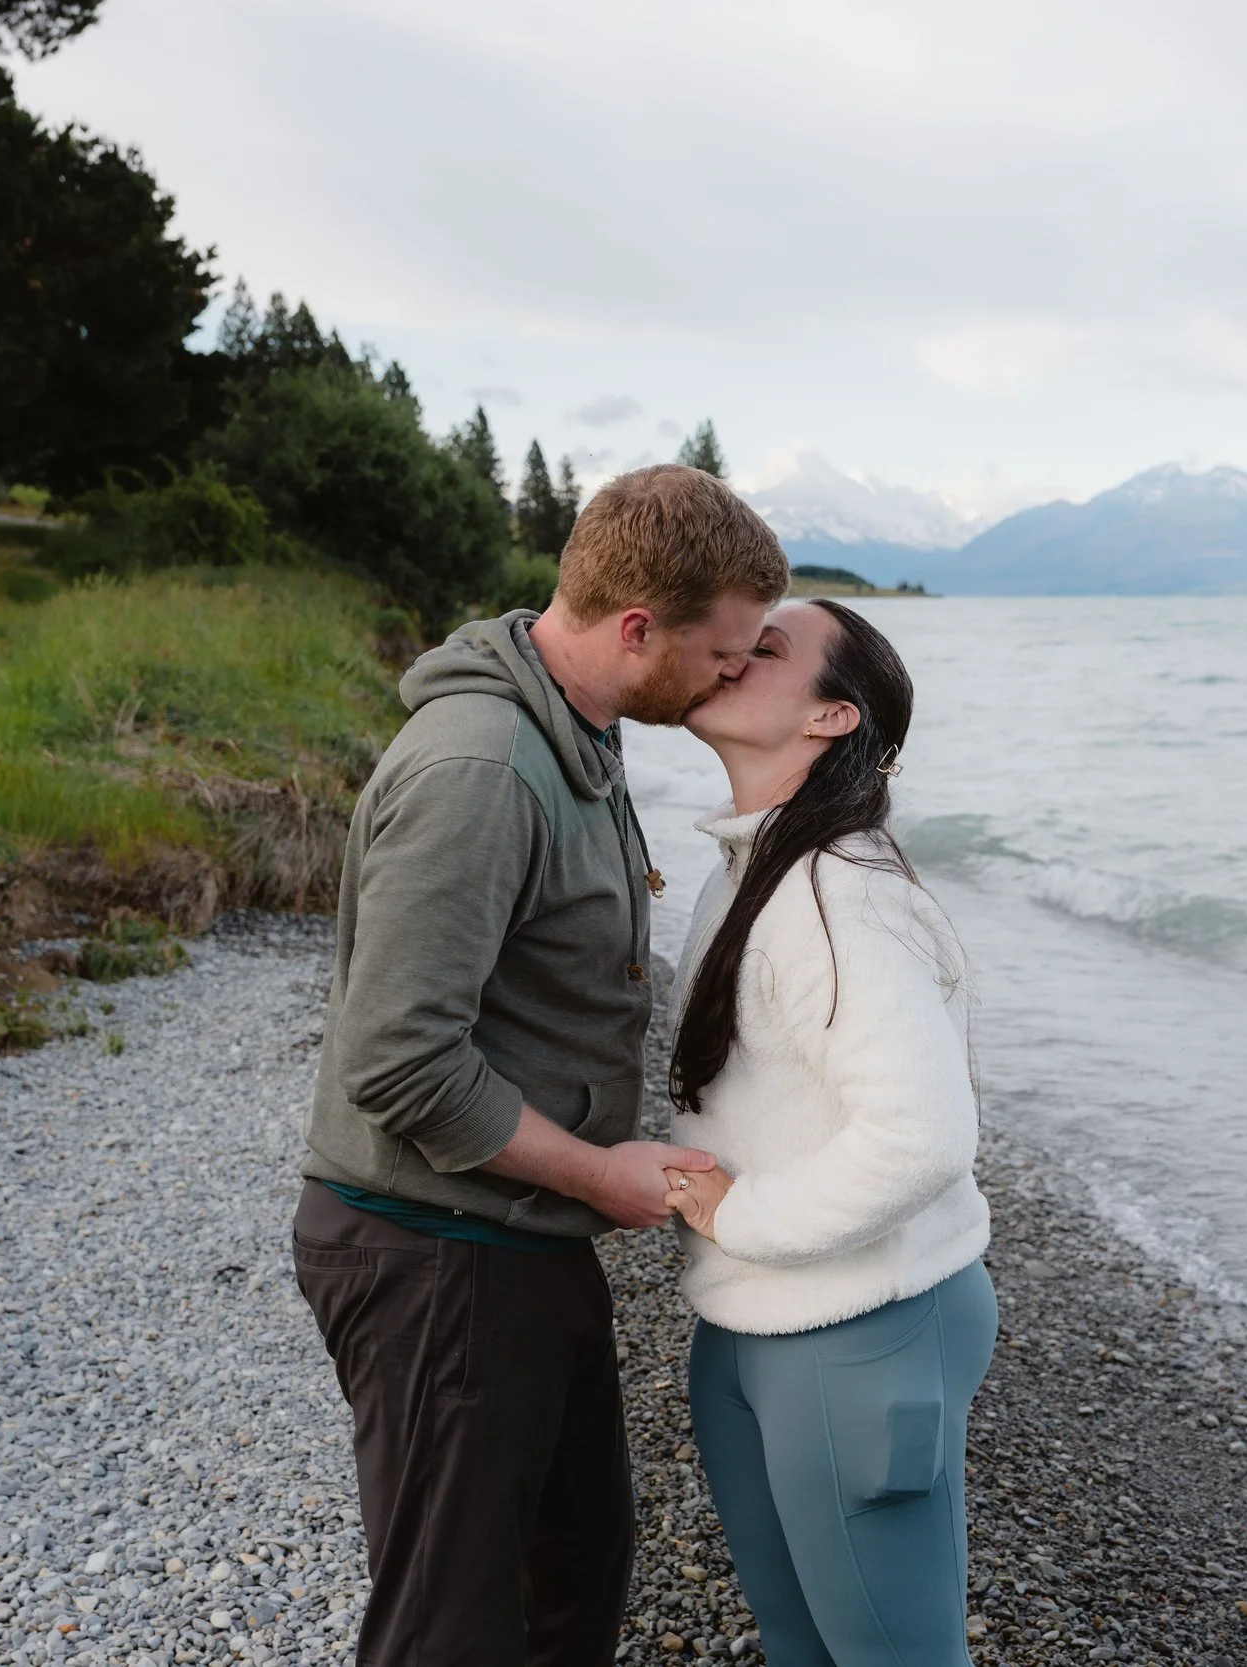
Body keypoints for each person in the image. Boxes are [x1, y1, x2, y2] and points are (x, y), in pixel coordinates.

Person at [291, 464, 790, 1666]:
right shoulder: (483, 768)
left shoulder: (577, 726)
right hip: (434, 1255)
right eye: (724, 651)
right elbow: (396, 1060)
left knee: (569, 1580)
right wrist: (598, 1174)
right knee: (455, 1629)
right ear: (636, 629)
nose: (737, 673)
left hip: (513, 1238)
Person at [663, 599, 996, 1666]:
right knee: (801, 1646)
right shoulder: (747, 869)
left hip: (858, 1325)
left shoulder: (837, 893)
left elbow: (923, 1132)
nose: (731, 649)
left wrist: (741, 1213)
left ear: (831, 719)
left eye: (767, 648)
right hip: (752, 1321)